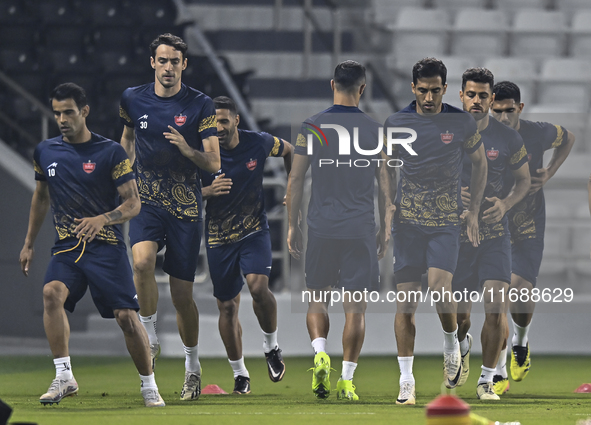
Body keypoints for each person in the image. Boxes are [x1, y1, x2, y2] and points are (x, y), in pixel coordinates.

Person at [19, 83, 165, 408]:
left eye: (68, 112)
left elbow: (134, 203)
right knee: (50, 293)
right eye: (57, 113)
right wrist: (28, 243)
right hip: (68, 248)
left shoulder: (110, 152)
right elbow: (41, 196)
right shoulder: (45, 151)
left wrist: (103, 218)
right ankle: (64, 376)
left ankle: (148, 385)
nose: (61, 119)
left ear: (84, 112)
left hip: (106, 247)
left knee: (127, 318)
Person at [119, 33, 220, 401]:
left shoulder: (200, 105)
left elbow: (213, 162)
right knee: (142, 262)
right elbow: (127, 139)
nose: (167, 67)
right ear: (152, 63)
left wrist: (186, 147)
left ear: (183, 65)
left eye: (174, 62)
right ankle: (149, 336)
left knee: (181, 296)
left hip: (186, 206)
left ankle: (192, 367)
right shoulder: (132, 97)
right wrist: (124, 173)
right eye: (162, 61)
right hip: (146, 199)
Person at [287, 60, 393, 401]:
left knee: (318, 297)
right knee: (355, 308)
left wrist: (293, 224)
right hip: (359, 226)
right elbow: (384, 180)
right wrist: (386, 224)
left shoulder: (312, 126)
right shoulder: (376, 130)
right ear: (362, 88)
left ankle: (320, 352)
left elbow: (296, 178)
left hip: (321, 226)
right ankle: (346, 380)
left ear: (332, 84)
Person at [384, 58, 488, 405]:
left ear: (445, 89)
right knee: (407, 304)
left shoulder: (460, 122)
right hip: (408, 224)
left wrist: (472, 210)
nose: (429, 97)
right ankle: (407, 381)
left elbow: (480, 163)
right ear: (413, 88)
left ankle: (451, 345)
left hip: (445, 221)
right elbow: (385, 165)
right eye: (423, 90)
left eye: (435, 90)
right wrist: (387, 205)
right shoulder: (397, 122)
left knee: (439, 287)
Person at [201, 96, 293, 394]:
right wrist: (207, 190)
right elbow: (182, 189)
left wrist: (292, 189)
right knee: (227, 307)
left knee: (257, 288)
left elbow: (290, 150)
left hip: (254, 231)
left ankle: (271, 347)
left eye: (224, 121)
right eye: (213, 123)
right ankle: (240, 374)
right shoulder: (202, 151)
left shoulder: (259, 143)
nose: (219, 128)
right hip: (218, 238)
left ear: (236, 120)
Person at [490, 81, 575, 394]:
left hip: (527, 223)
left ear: (519, 109)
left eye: (508, 111)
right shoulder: (480, 136)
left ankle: (520, 340)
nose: (502, 117)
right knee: (497, 294)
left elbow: (569, 137)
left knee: (521, 291)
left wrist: (549, 171)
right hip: (494, 224)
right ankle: (497, 372)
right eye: (496, 111)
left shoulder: (538, 132)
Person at [452, 69, 530, 400]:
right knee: (460, 318)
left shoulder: (508, 138)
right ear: (461, 96)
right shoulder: (446, 133)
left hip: (495, 233)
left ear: (491, 99)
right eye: (471, 94)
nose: (477, 101)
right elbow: (427, 174)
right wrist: (454, 197)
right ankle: (461, 342)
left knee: (495, 305)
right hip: (456, 235)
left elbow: (524, 180)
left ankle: (487, 380)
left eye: (484, 96)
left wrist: (506, 203)